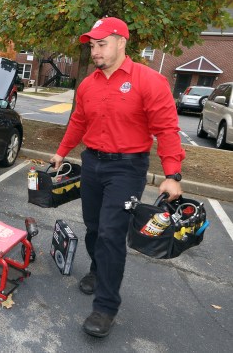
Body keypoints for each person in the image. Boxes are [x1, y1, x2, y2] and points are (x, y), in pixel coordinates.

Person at [50, 17, 185, 338]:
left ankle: (106, 307)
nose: (95, 51)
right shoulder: (87, 84)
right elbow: (78, 121)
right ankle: (98, 270)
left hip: (127, 168)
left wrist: (172, 174)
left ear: (121, 42)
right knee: (95, 228)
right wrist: (61, 151)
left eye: (101, 44)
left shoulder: (149, 81)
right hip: (92, 163)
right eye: (92, 45)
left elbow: (167, 129)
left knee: (112, 234)